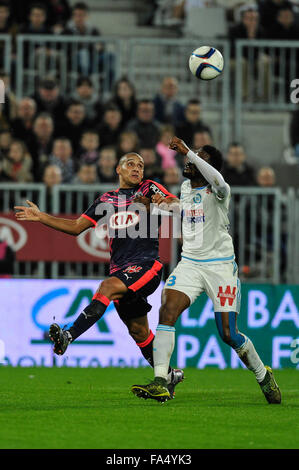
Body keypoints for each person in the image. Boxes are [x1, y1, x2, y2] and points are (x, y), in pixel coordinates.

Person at [14, 152, 184, 398]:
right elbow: (75, 228)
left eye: (141, 166)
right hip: (121, 271)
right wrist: (41, 217)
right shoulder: (106, 200)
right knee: (138, 332)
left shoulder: (149, 188)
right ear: (118, 169)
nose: (136, 169)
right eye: (131, 164)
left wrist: (161, 203)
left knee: (106, 287)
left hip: (147, 266)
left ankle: (68, 335)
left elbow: (175, 203)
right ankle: (169, 376)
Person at [131, 136, 281, 405]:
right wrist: (156, 204)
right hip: (190, 262)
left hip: (220, 267)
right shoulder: (187, 187)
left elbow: (218, 180)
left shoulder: (221, 189)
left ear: (207, 166)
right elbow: (184, 208)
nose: (189, 161)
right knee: (167, 310)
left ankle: (262, 374)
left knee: (228, 334)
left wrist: (189, 151)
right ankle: (160, 380)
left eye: (199, 157)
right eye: (191, 157)